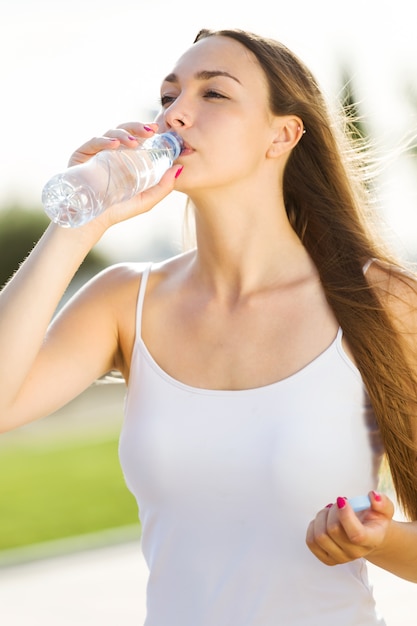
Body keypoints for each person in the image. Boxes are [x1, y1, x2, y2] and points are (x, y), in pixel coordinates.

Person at [0, 27, 416, 626]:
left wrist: (376, 540)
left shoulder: (381, 301)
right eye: (168, 97)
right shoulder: (126, 302)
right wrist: (80, 221)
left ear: (283, 134)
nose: (176, 114)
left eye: (213, 94)